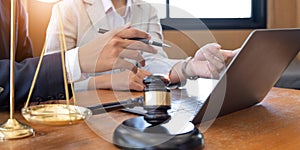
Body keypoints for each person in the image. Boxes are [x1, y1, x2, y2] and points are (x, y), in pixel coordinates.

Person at [46, 0, 236, 92]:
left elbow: (153, 63)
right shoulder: (68, 9)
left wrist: (190, 66)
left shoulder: (147, 10)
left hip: (136, 108)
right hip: (86, 116)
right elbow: (48, 81)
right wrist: (107, 81)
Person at [0, 0, 157, 109]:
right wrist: (78, 61)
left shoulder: (14, 5)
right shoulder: (68, 8)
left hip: (130, 106)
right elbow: (47, 83)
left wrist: (174, 70)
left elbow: (33, 83)